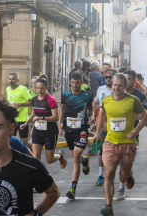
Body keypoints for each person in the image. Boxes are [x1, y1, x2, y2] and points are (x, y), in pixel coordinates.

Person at [93, 74, 147, 216]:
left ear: (125, 86)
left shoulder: (133, 100)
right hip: (110, 142)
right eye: (114, 85)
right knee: (109, 172)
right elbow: (102, 115)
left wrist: (136, 131)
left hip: (127, 144)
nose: (116, 88)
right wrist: (97, 132)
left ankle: (129, 175)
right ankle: (109, 206)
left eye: (120, 85)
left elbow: (146, 116)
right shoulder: (106, 100)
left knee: (124, 173)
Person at [59, 71, 94, 200]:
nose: (75, 85)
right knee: (76, 157)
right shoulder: (65, 95)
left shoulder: (87, 95)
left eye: (77, 82)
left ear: (81, 82)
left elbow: (90, 108)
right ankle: (85, 161)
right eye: (72, 82)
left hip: (82, 129)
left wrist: (92, 116)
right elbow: (62, 108)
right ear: (70, 82)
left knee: (76, 157)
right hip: (69, 129)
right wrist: (59, 123)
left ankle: (73, 188)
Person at [117, 69, 147, 200]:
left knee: (125, 165)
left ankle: (128, 175)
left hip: (131, 134)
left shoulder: (140, 96)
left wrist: (140, 116)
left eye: (129, 79)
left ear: (134, 80)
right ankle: (120, 188)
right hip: (116, 133)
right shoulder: (117, 93)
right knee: (118, 162)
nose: (125, 81)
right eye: (124, 78)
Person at [21, 75, 67, 168]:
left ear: (46, 87)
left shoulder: (51, 100)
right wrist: (26, 123)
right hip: (37, 131)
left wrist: (41, 118)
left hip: (50, 132)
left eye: (42, 88)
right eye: (37, 88)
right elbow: (34, 112)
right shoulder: (34, 100)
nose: (39, 90)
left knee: (49, 160)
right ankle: (38, 178)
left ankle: (60, 156)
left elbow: (55, 118)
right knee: (36, 157)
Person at [93, 69, 116, 186]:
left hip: (115, 124)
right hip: (102, 123)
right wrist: (92, 116)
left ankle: (119, 175)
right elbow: (96, 103)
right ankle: (101, 175)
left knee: (115, 150)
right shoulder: (100, 89)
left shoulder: (117, 90)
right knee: (101, 150)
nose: (108, 79)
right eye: (106, 77)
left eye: (110, 77)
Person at [6, 72, 32, 147]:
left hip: (22, 119)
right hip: (12, 119)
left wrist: (20, 104)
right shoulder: (7, 89)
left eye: (13, 79)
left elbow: (30, 102)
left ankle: (26, 156)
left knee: (24, 143)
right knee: (10, 140)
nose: (11, 81)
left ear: (18, 80)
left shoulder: (23, 89)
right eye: (9, 79)